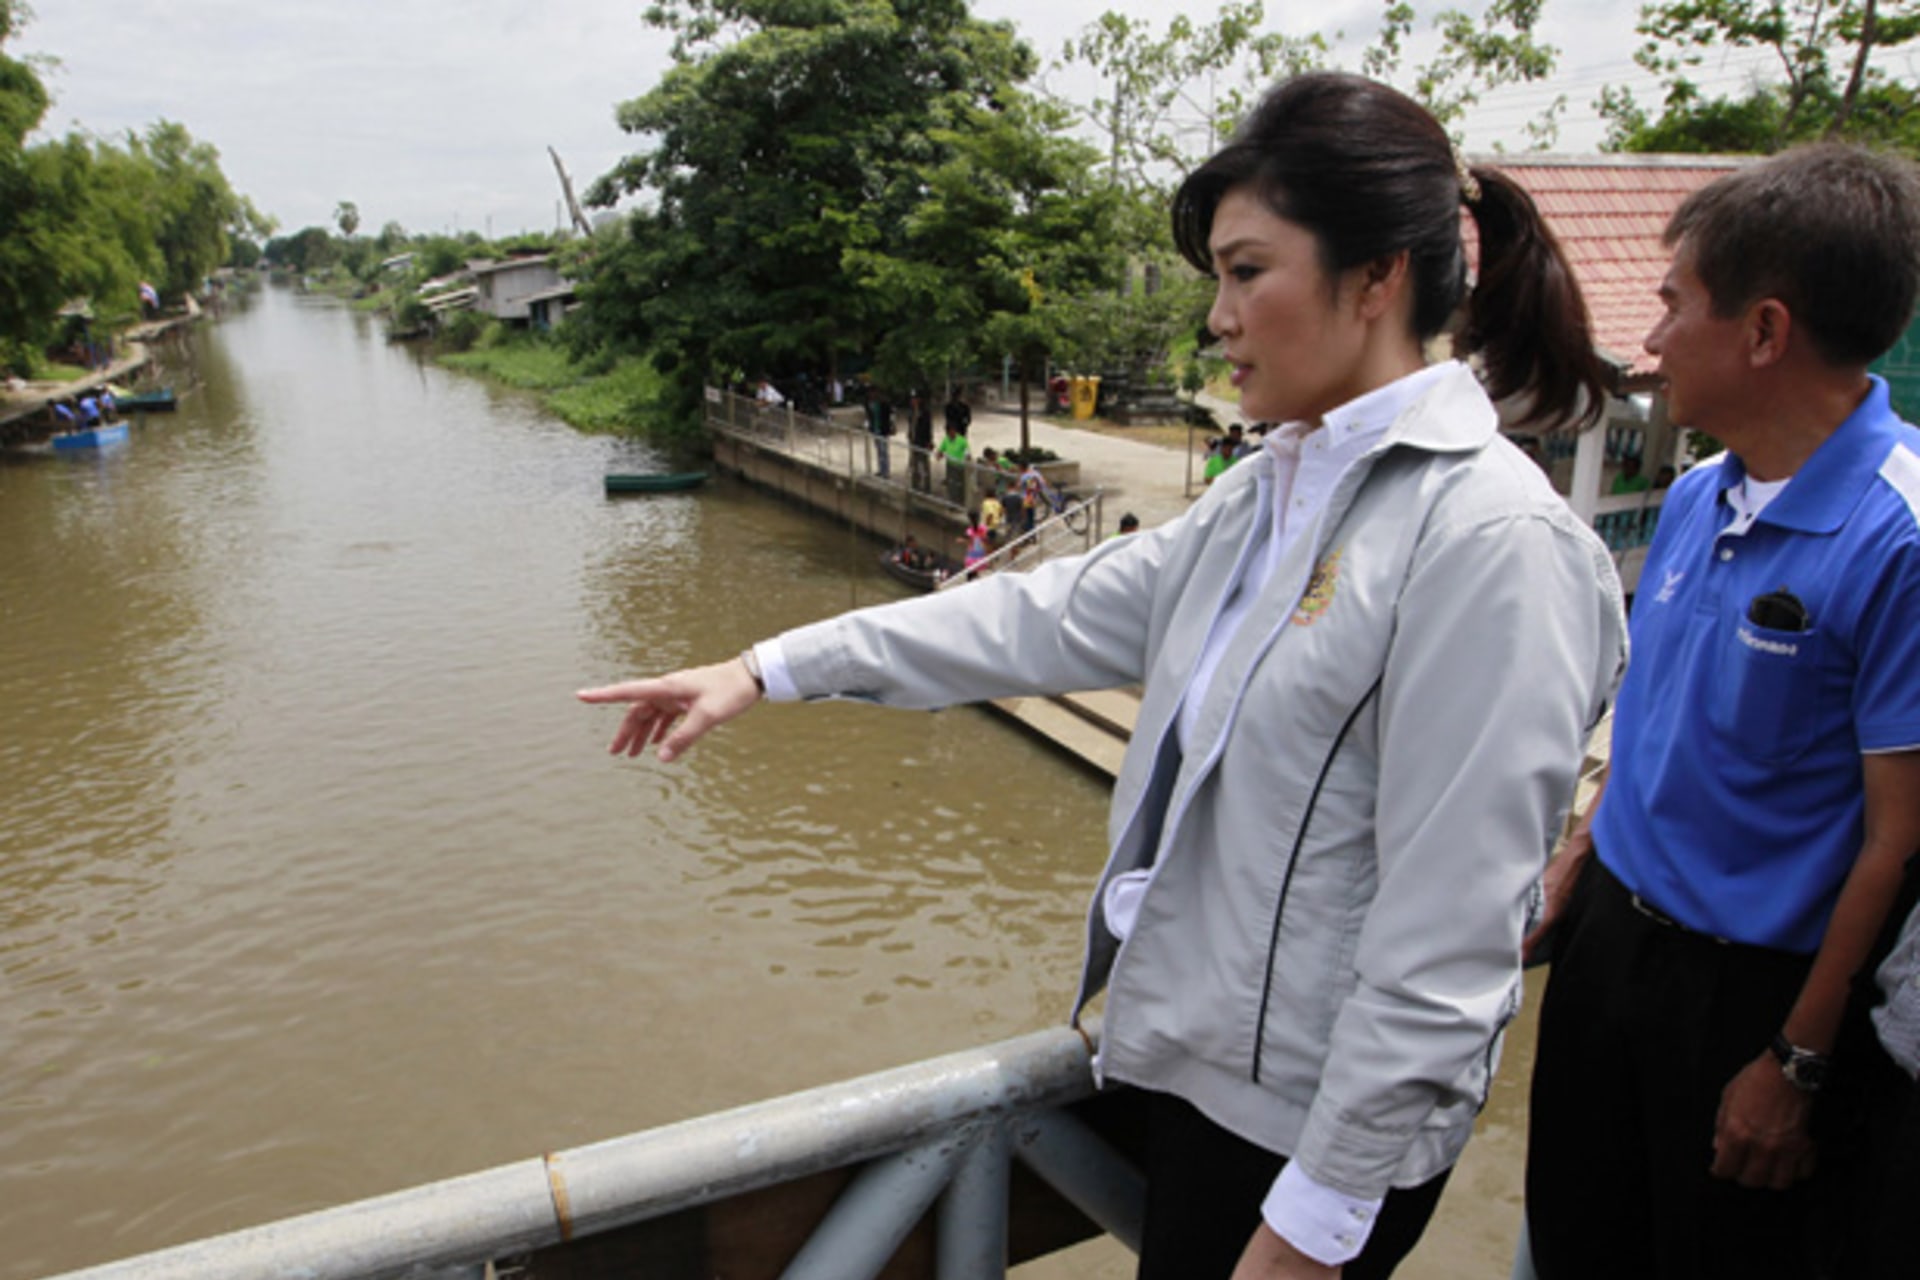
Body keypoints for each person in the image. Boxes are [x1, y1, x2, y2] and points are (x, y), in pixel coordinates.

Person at [580, 71, 1626, 1280]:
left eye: (1247, 271)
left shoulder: (1492, 545)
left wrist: (1317, 1223)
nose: (1218, 318)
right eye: (1215, 279)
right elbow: (1028, 617)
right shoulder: (1267, 498)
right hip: (1190, 1077)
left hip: (1307, 1138)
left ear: (1379, 275)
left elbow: (1451, 935)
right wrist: (765, 665)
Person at [1521, 144, 1920, 1280]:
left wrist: (1795, 1060)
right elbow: (1652, 716)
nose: (1650, 341)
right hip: (1611, 947)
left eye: (1672, 303)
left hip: (1752, 996)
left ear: (1764, 330)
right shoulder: (1702, 492)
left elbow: (1898, 839)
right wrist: (1582, 857)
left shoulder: (1900, 539)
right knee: (1575, 1232)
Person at [864, 386, 895, 480]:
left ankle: (886, 471)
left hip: (883, 429)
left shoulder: (884, 403)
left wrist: (892, 425)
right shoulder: (868, 403)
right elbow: (869, 416)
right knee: (879, 450)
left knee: (884, 450)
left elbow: (891, 414)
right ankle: (881, 469)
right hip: (875, 429)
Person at [908, 392, 935, 493]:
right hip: (914, 441)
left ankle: (927, 487)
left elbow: (928, 428)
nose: (913, 401)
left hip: (923, 442)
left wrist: (929, 441)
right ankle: (915, 484)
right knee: (914, 464)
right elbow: (911, 425)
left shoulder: (925, 412)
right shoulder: (911, 412)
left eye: (915, 399)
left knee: (925, 465)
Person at [939, 421, 970, 506]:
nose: (951, 433)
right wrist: (939, 454)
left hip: (960, 465)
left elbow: (967, 452)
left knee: (960, 485)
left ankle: (961, 502)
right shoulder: (946, 440)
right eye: (949, 432)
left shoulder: (962, 440)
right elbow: (941, 449)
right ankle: (953, 503)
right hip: (950, 465)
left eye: (953, 431)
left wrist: (967, 459)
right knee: (952, 485)